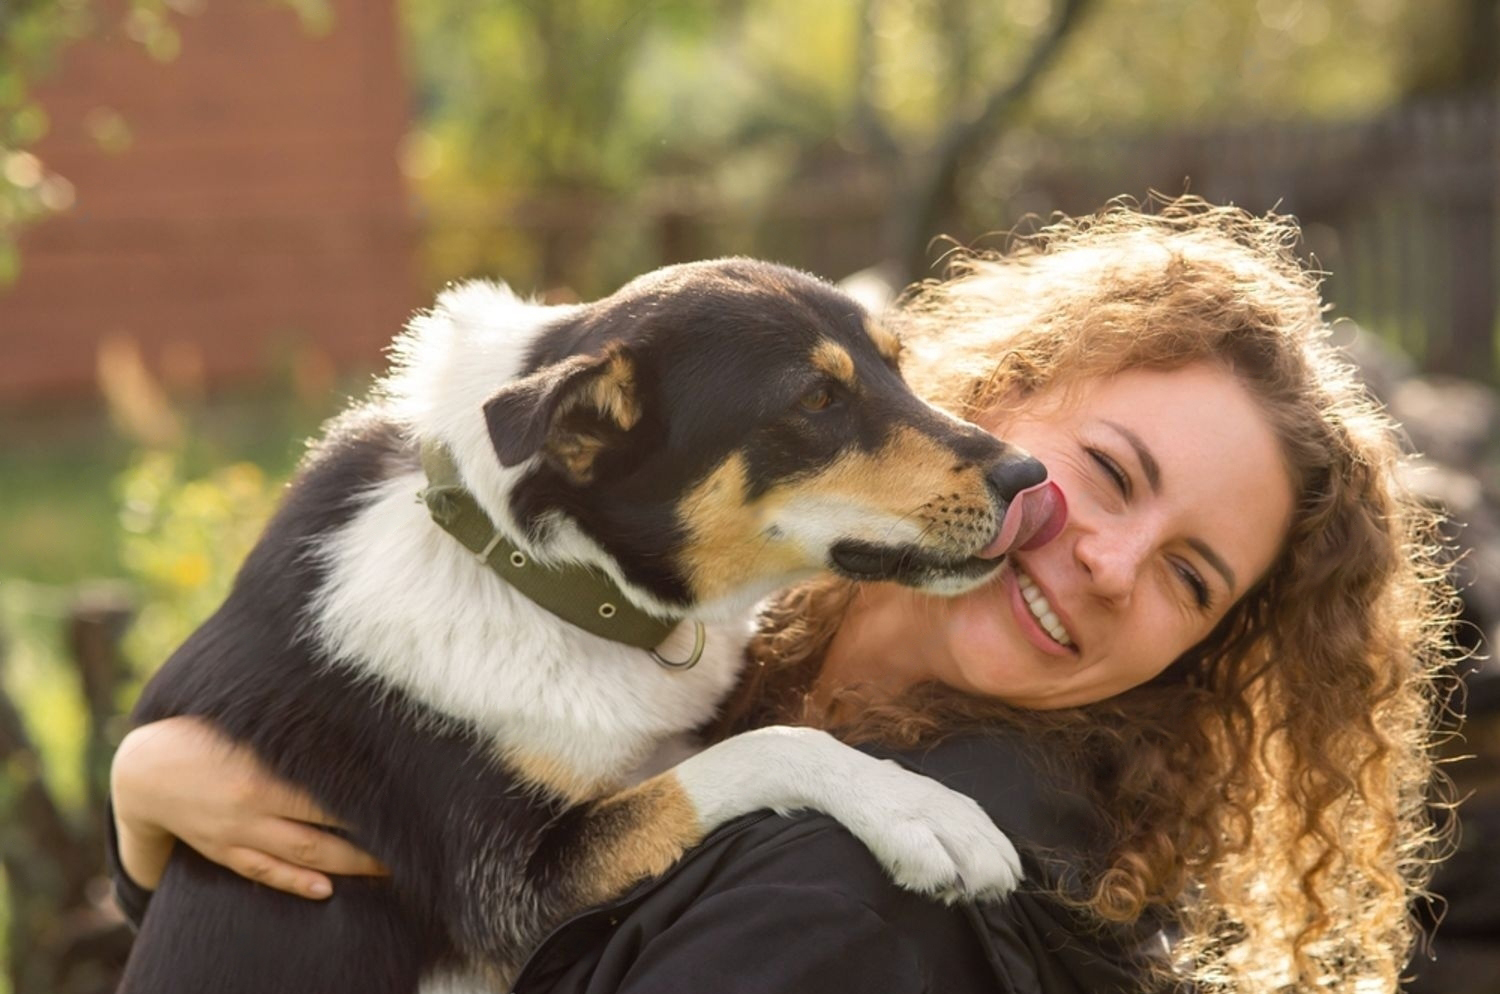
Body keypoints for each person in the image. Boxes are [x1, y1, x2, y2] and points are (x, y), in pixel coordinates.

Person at [108, 198, 1458, 993]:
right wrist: (165, 791)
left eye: (1189, 577)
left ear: (1209, 653)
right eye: (1108, 472)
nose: (1107, 557)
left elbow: (529, 886)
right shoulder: (716, 631)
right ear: (986, 393)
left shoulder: (864, 892)